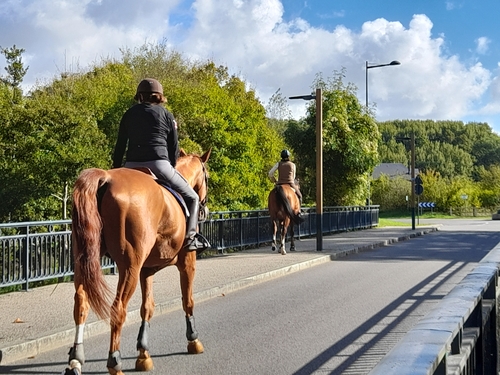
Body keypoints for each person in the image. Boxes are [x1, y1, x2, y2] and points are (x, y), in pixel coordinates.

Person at [112, 78, 209, 251]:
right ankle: (191, 238)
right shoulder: (166, 116)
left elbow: (120, 145)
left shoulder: (129, 114)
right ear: (159, 97)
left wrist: (116, 171)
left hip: (130, 166)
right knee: (193, 198)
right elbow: (174, 147)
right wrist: (170, 166)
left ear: (139, 96)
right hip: (159, 164)